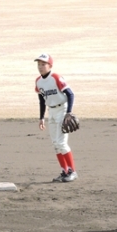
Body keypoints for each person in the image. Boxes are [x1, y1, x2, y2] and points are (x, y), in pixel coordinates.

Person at [34, 53, 78, 182]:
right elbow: (42, 100)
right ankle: (65, 171)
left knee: (61, 143)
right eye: (39, 64)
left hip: (62, 110)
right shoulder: (38, 81)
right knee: (55, 144)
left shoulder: (56, 78)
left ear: (50, 65)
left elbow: (70, 94)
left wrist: (68, 113)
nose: (40, 67)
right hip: (51, 111)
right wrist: (41, 118)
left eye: (43, 64)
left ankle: (73, 171)